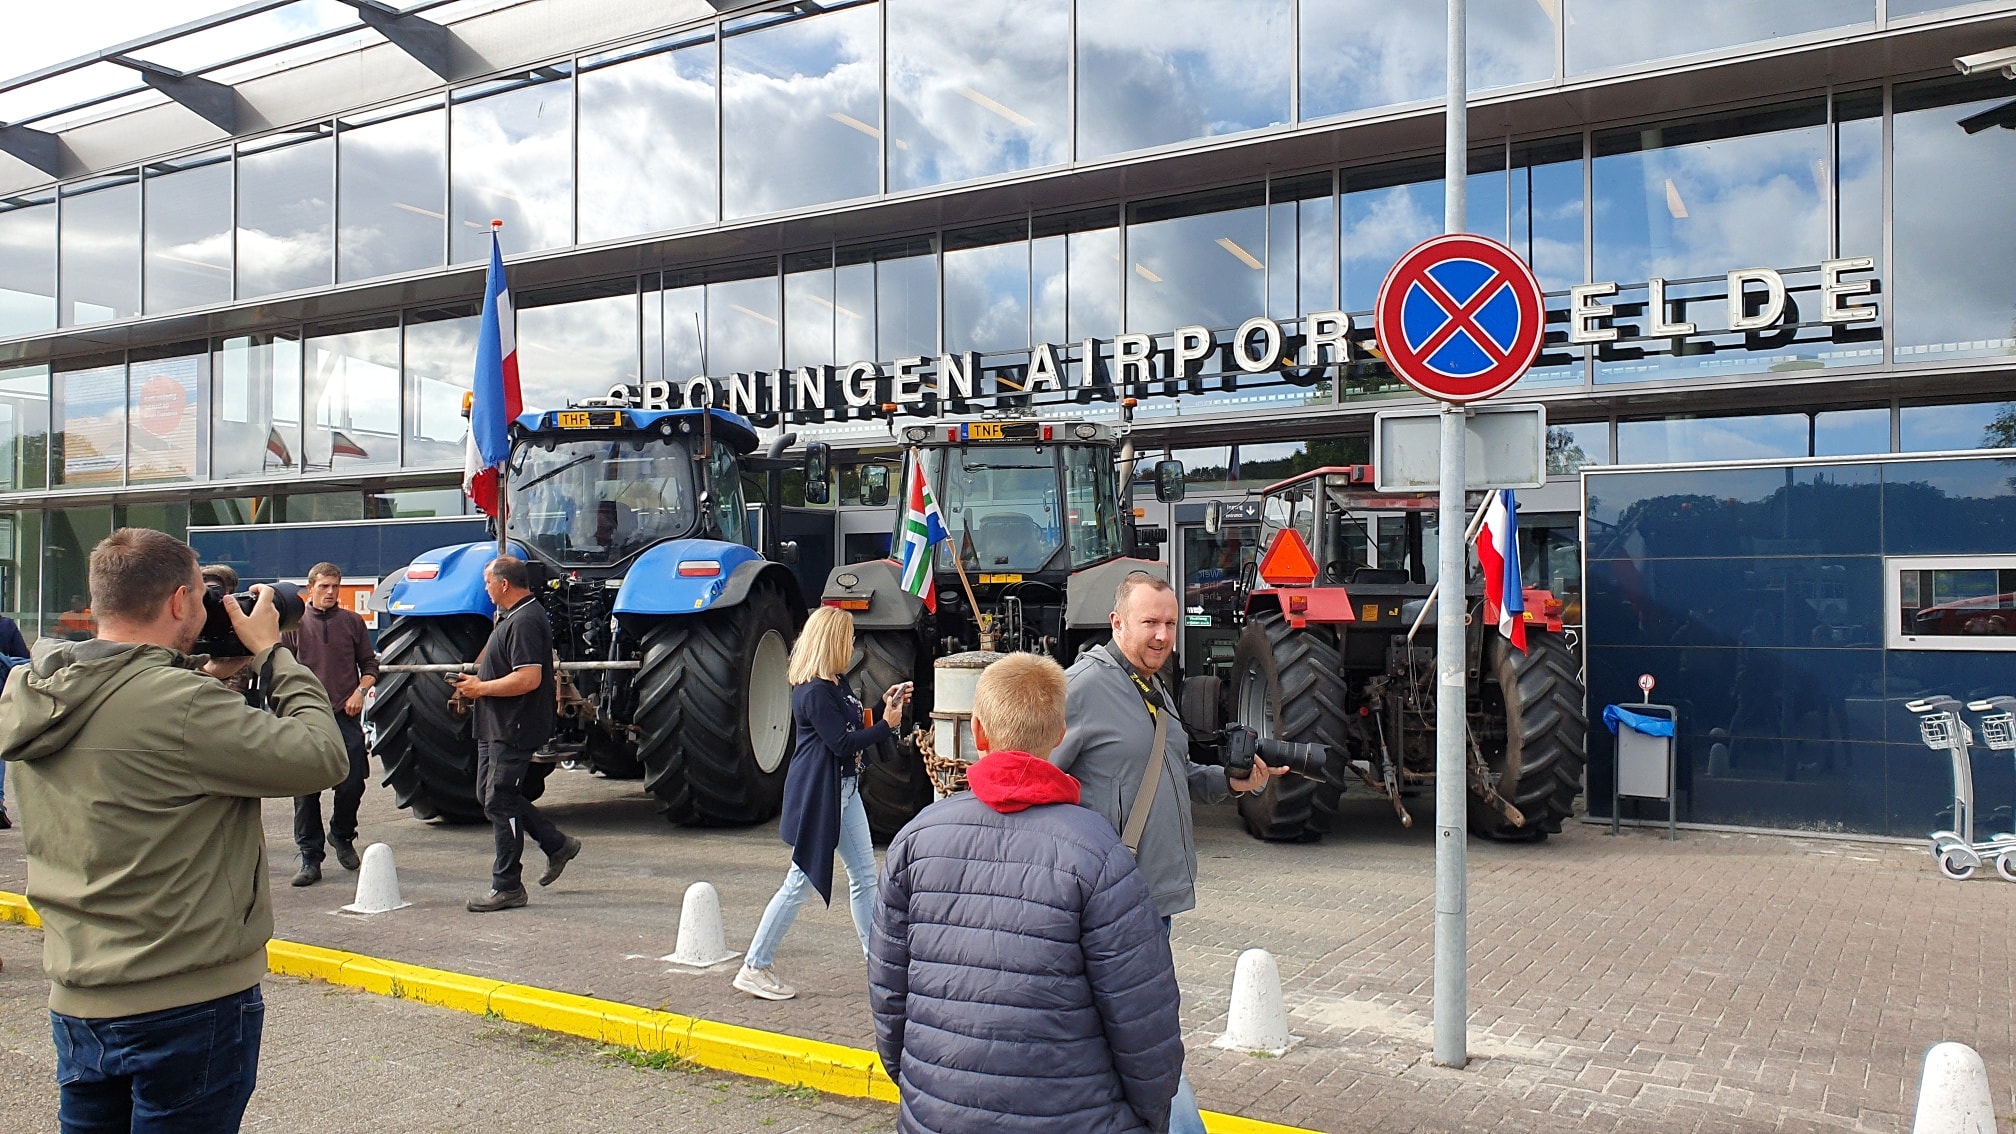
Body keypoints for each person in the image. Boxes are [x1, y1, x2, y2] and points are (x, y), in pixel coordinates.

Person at [0, 528, 347, 1132]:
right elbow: (322, 755)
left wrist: (204, 675)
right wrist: (272, 653)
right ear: (180, 603)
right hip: (185, 1002)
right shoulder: (183, 707)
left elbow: (136, 727)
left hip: (80, 996)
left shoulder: (39, 690)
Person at [870, 653, 1183, 1133]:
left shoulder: (914, 841)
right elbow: (1143, 1018)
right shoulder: (1100, 853)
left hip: (937, 1113)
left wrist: (923, 1088)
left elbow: (890, 997)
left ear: (978, 733)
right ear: (1060, 735)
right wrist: (1151, 1115)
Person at [1050, 570, 1283, 1134]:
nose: (1162, 635)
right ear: (1117, 622)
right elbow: (1035, 779)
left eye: (1170, 623)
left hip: (1153, 899)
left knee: (1129, 1038)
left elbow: (1170, 773)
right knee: (1149, 1041)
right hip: (1113, 904)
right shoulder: (1081, 688)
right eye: (1149, 622)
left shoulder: (1151, 687)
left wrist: (1232, 784)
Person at [735, 606, 909, 1001]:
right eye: (847, 638)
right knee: (798, 883)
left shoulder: (833, 683)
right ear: (832, 642)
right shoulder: (813, 690)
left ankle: (875, 964)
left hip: (842, 793)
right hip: (821, 796)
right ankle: (755, 966)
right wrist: (887, 726)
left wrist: (883, 707)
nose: (851, 644)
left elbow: (852, 725)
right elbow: (842, 742)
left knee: (865, 878)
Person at [449, 555, 581, 912]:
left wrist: (481, 689)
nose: (485, 588)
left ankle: (508, 885)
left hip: (514, 725)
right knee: (489, 795)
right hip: (495, 725)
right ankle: (556, 844)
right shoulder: (510, 617)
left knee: (499, 798)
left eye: (487, 582)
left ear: (504, 584)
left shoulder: (525, 621)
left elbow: (529, 679)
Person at [282, 562, 381, 887]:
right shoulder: (293, 628)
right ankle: (310, 856)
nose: (330, 592)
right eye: (324, 586)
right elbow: (281, 672)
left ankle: (342, 834)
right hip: (306, 717)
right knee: (305, 791)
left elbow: (369, 665)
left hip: (345, 714)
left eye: (335, 586)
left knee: (353, 782)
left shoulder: (352, 622)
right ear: (310, 588)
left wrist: (360, 691)